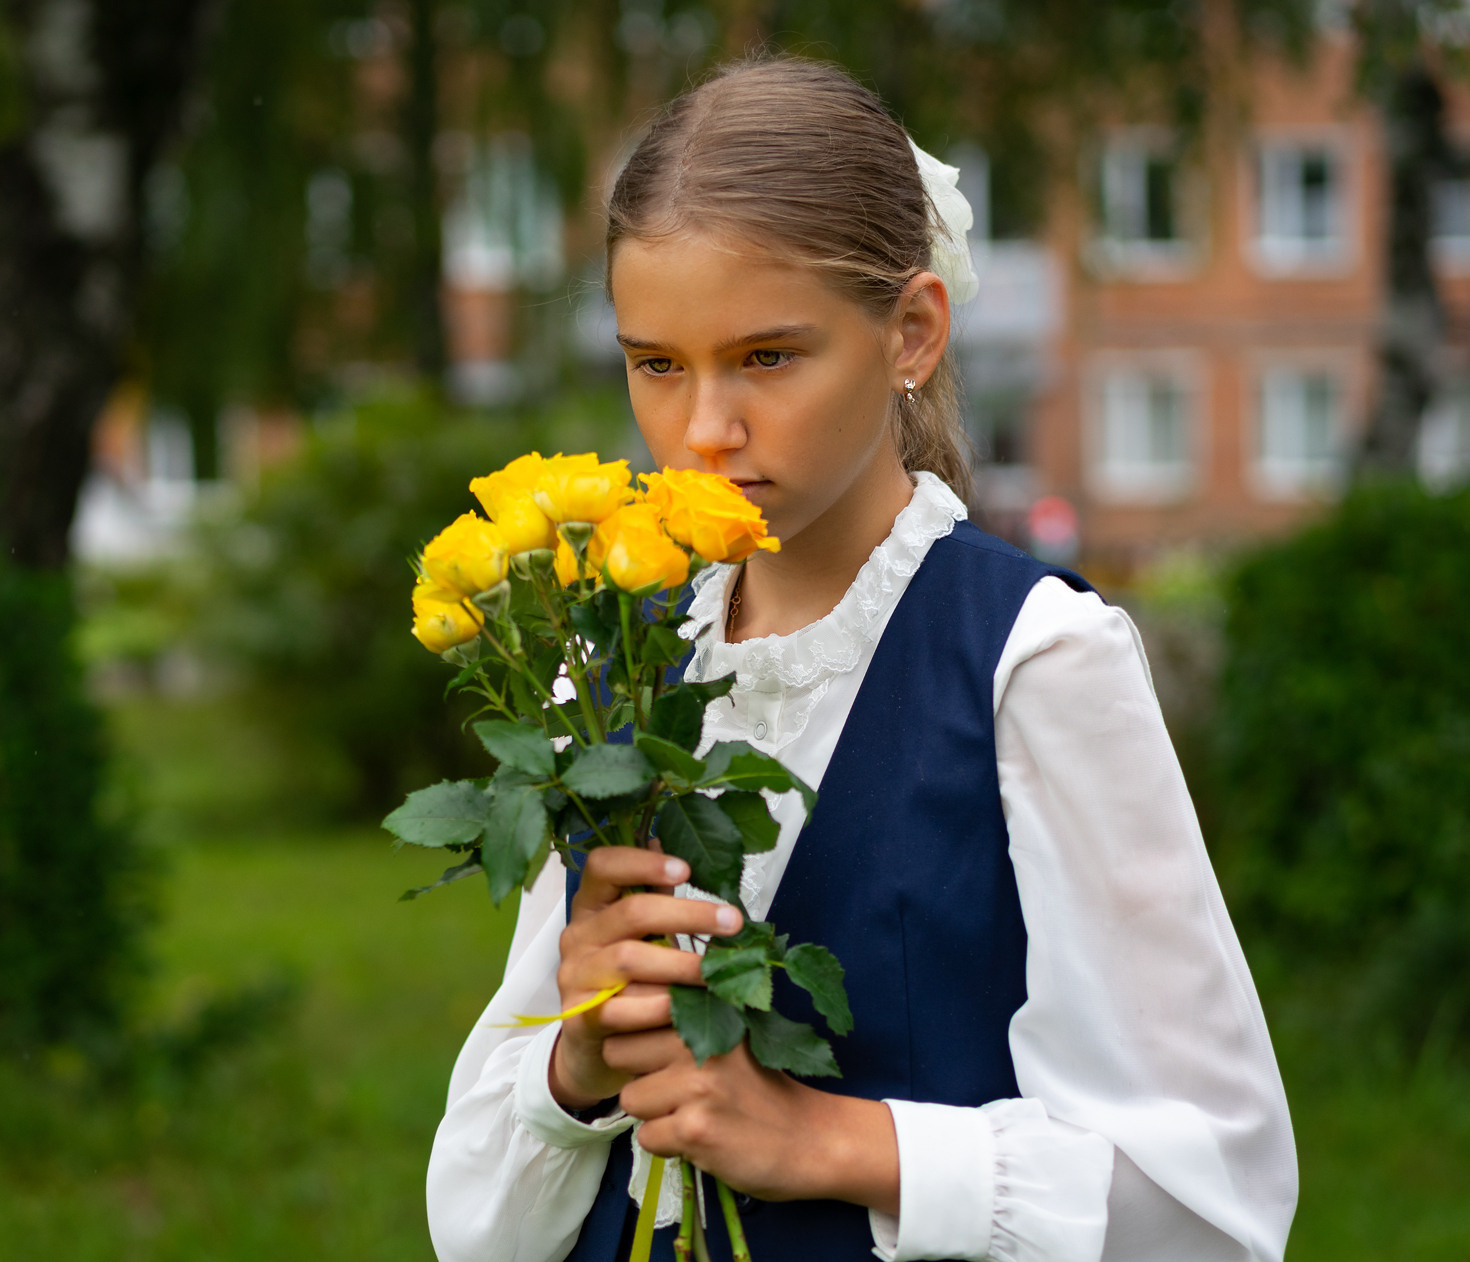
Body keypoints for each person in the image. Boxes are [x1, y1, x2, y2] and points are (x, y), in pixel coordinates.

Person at [427, 56, 1295, 1262]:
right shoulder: (614, 662)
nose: (701, 429)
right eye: (656, 362)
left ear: (911, 332)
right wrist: (574, 1067)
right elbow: (476, 1229)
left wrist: (830, 1141)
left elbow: (1211, 1204)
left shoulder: (1032, 662)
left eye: (768, 357)